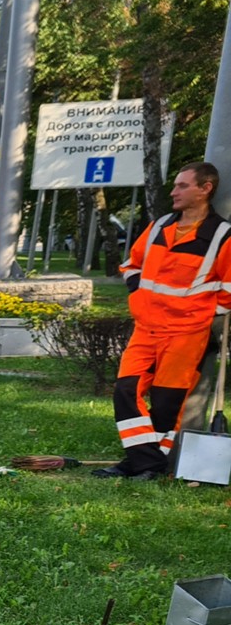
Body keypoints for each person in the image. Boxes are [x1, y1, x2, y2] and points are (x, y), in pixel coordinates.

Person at [94, 161, 231, 480]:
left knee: (168, 402)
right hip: (147, 327)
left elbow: (228, 287)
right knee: (125, 390)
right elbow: (131, 265)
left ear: (205, 188)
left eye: (183, 185)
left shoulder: (222, 235)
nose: (174, 191)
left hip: (187, 333)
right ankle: (147, 462)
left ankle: (141, 464)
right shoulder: (159, 226)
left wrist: (207, 314)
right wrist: (138, 297)